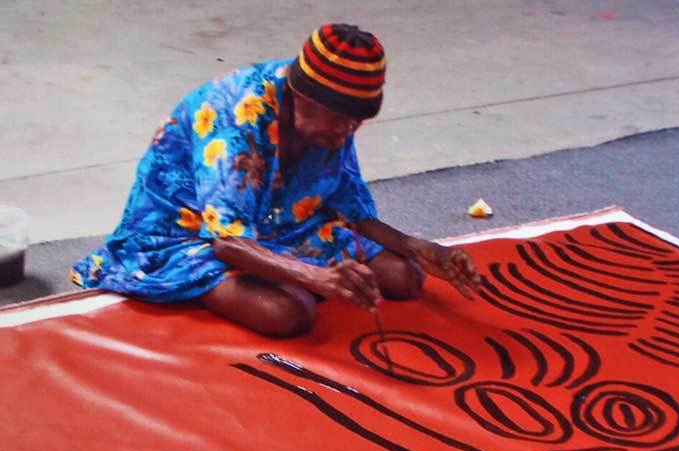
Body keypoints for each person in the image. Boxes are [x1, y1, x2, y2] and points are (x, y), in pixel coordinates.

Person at [72, 23, 481, 337]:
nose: (347, 131)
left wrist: (419, 247)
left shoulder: (330, 119)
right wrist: (314, 276)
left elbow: (348, 206)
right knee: (290, 311)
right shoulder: (236, 117)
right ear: (303, 98)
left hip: (280, 222)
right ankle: (205, 287)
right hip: (189, 235)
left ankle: (294, 271)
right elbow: (228, 239)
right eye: (341, 120)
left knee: (404, 276)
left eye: (357, 121)